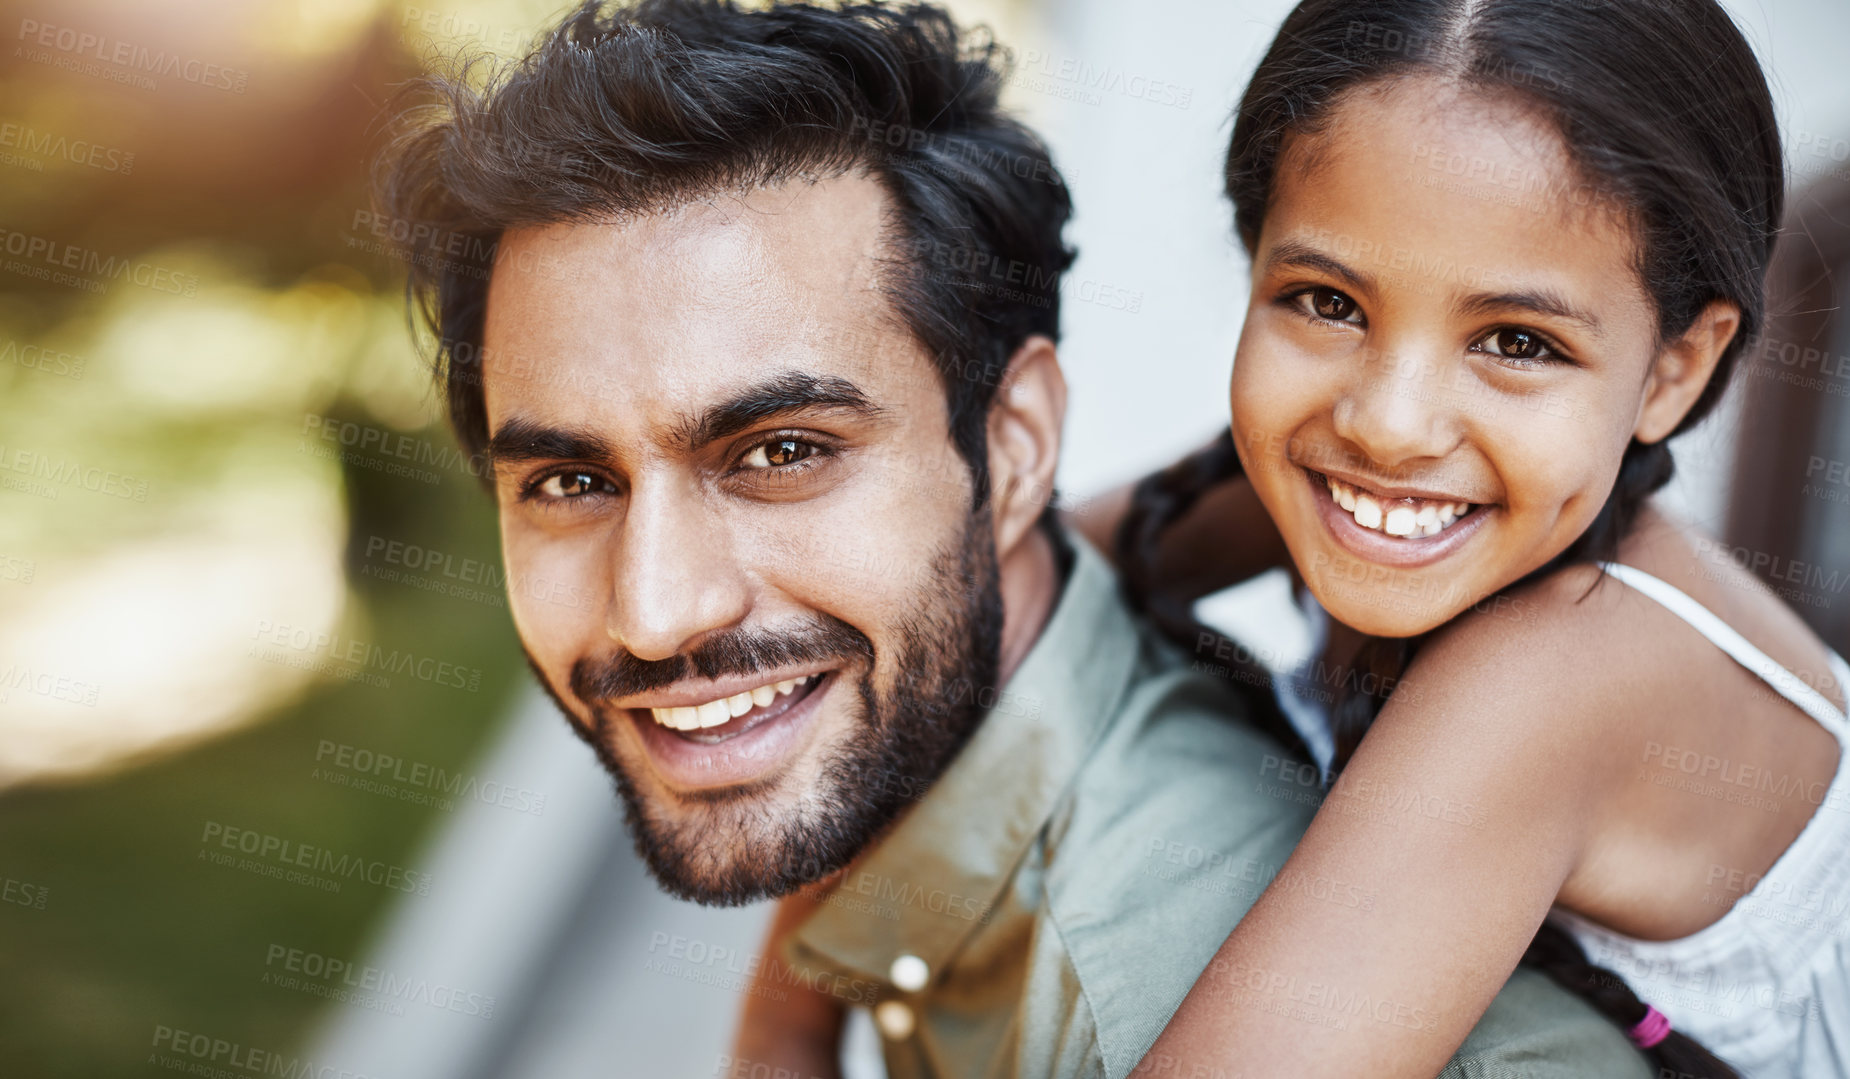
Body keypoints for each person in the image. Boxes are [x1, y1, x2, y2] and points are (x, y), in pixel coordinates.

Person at [377, 1, 1661, 1075]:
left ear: (1013, 444)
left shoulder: (1132, 999)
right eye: (564, 480)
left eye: (781, 453)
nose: (655, 611)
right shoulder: (981, 733)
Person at [1075, 1, 1849, 1077]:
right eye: (1324, 301)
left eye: (1515, 341)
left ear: (1672, 370)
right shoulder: (1344, 472)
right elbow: (975, 593)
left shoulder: (1556, 671)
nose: (1388, 426)